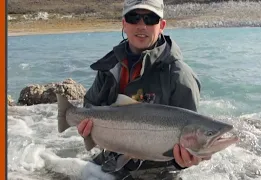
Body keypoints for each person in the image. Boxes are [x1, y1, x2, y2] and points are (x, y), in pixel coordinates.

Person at [76, 0, 211, 179]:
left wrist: (185, 160)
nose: (142, 26)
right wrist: (83, 126)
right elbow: (89, 106)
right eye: (134, 17)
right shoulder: (110, 67)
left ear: (161, 25)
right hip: (112, 159)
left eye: (150, 19)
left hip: (159, 169)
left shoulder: (180, 76)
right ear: (124, 24)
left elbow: (190, 136)